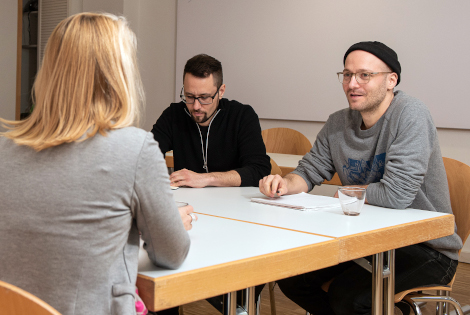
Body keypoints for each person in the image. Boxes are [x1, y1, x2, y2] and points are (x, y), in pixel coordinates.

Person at [0, 13, 194, 315]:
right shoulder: (135, 148)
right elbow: (172, 252)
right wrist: (171, 223)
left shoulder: (4, 147)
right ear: (119, 74)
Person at [259, 41, 463, 315]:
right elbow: (308, 172)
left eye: (364, 75)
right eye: (347, 74)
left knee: (349, 297)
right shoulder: (337, 123)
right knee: (294, 278)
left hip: (427, 247)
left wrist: (347, 192)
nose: (352, 83)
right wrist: (285, 184)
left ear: (391, 80)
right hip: (366, 241)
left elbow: (397, 194)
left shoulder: (410, 114)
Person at [151, 54, 271, 188]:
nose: (196, 106)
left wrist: (206, 179)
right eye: (189, 96)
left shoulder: (242, 116)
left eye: (204, 97)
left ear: (221, 91)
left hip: (233, 202)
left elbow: (259, 171)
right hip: (188, 201)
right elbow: (147, 155)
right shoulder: (173, 115)